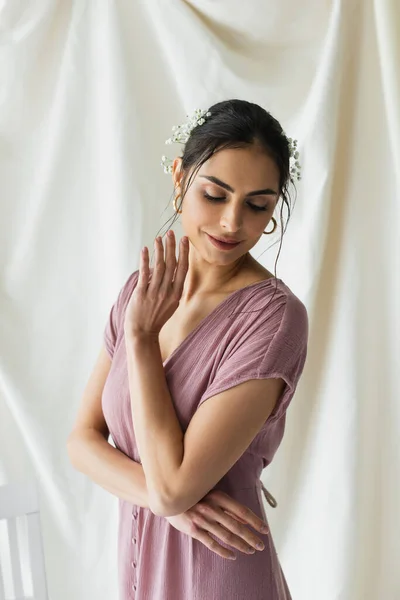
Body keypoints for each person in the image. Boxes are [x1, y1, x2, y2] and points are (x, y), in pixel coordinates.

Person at [67, 99, 309, 599]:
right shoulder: (141, 292)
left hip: (220, 577)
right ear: (180, 177)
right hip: (139, 575)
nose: (230, 223)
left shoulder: (272, 318)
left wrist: (140, 340)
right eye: (215, 195)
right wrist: (170, 507)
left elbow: (174, 485)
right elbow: (82, 442)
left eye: (257, 205)